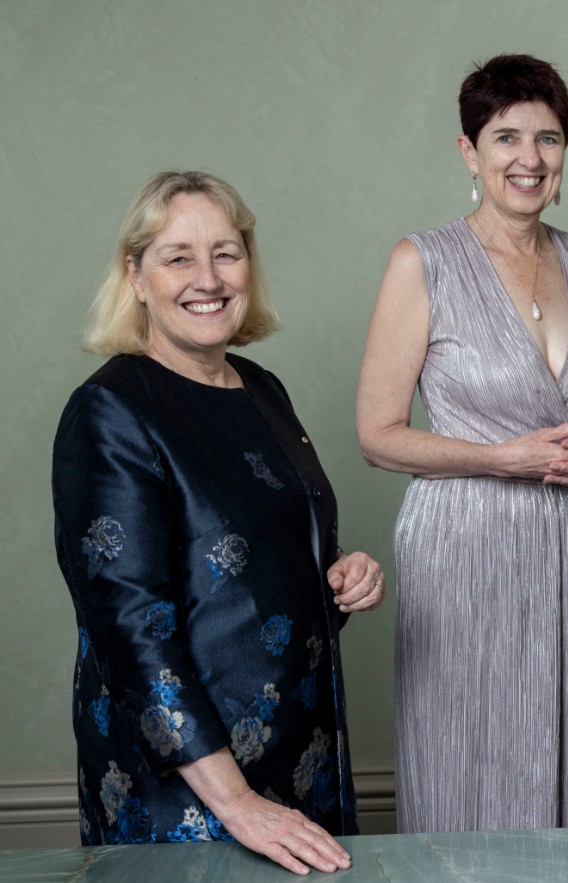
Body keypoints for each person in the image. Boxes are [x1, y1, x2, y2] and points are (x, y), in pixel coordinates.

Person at [52, 171, 386, 874]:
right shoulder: (112, 409)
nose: (207, 277)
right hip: (191, 792)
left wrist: (338, 578)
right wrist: (236, 802)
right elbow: (130, 629)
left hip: (300, 760)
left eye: (226, 253)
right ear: (135, 274)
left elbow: (250, 580)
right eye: (178, 256)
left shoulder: (262, 389)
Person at [356, 54, 568, 833]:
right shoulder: (424, 261)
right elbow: (377, 436)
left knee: (557, 754)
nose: (529, 159)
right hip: (462, 546)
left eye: (548, 138)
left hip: (566, 542)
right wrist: (506, 458)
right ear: (469, 152)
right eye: (506, 137)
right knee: (464, 759)